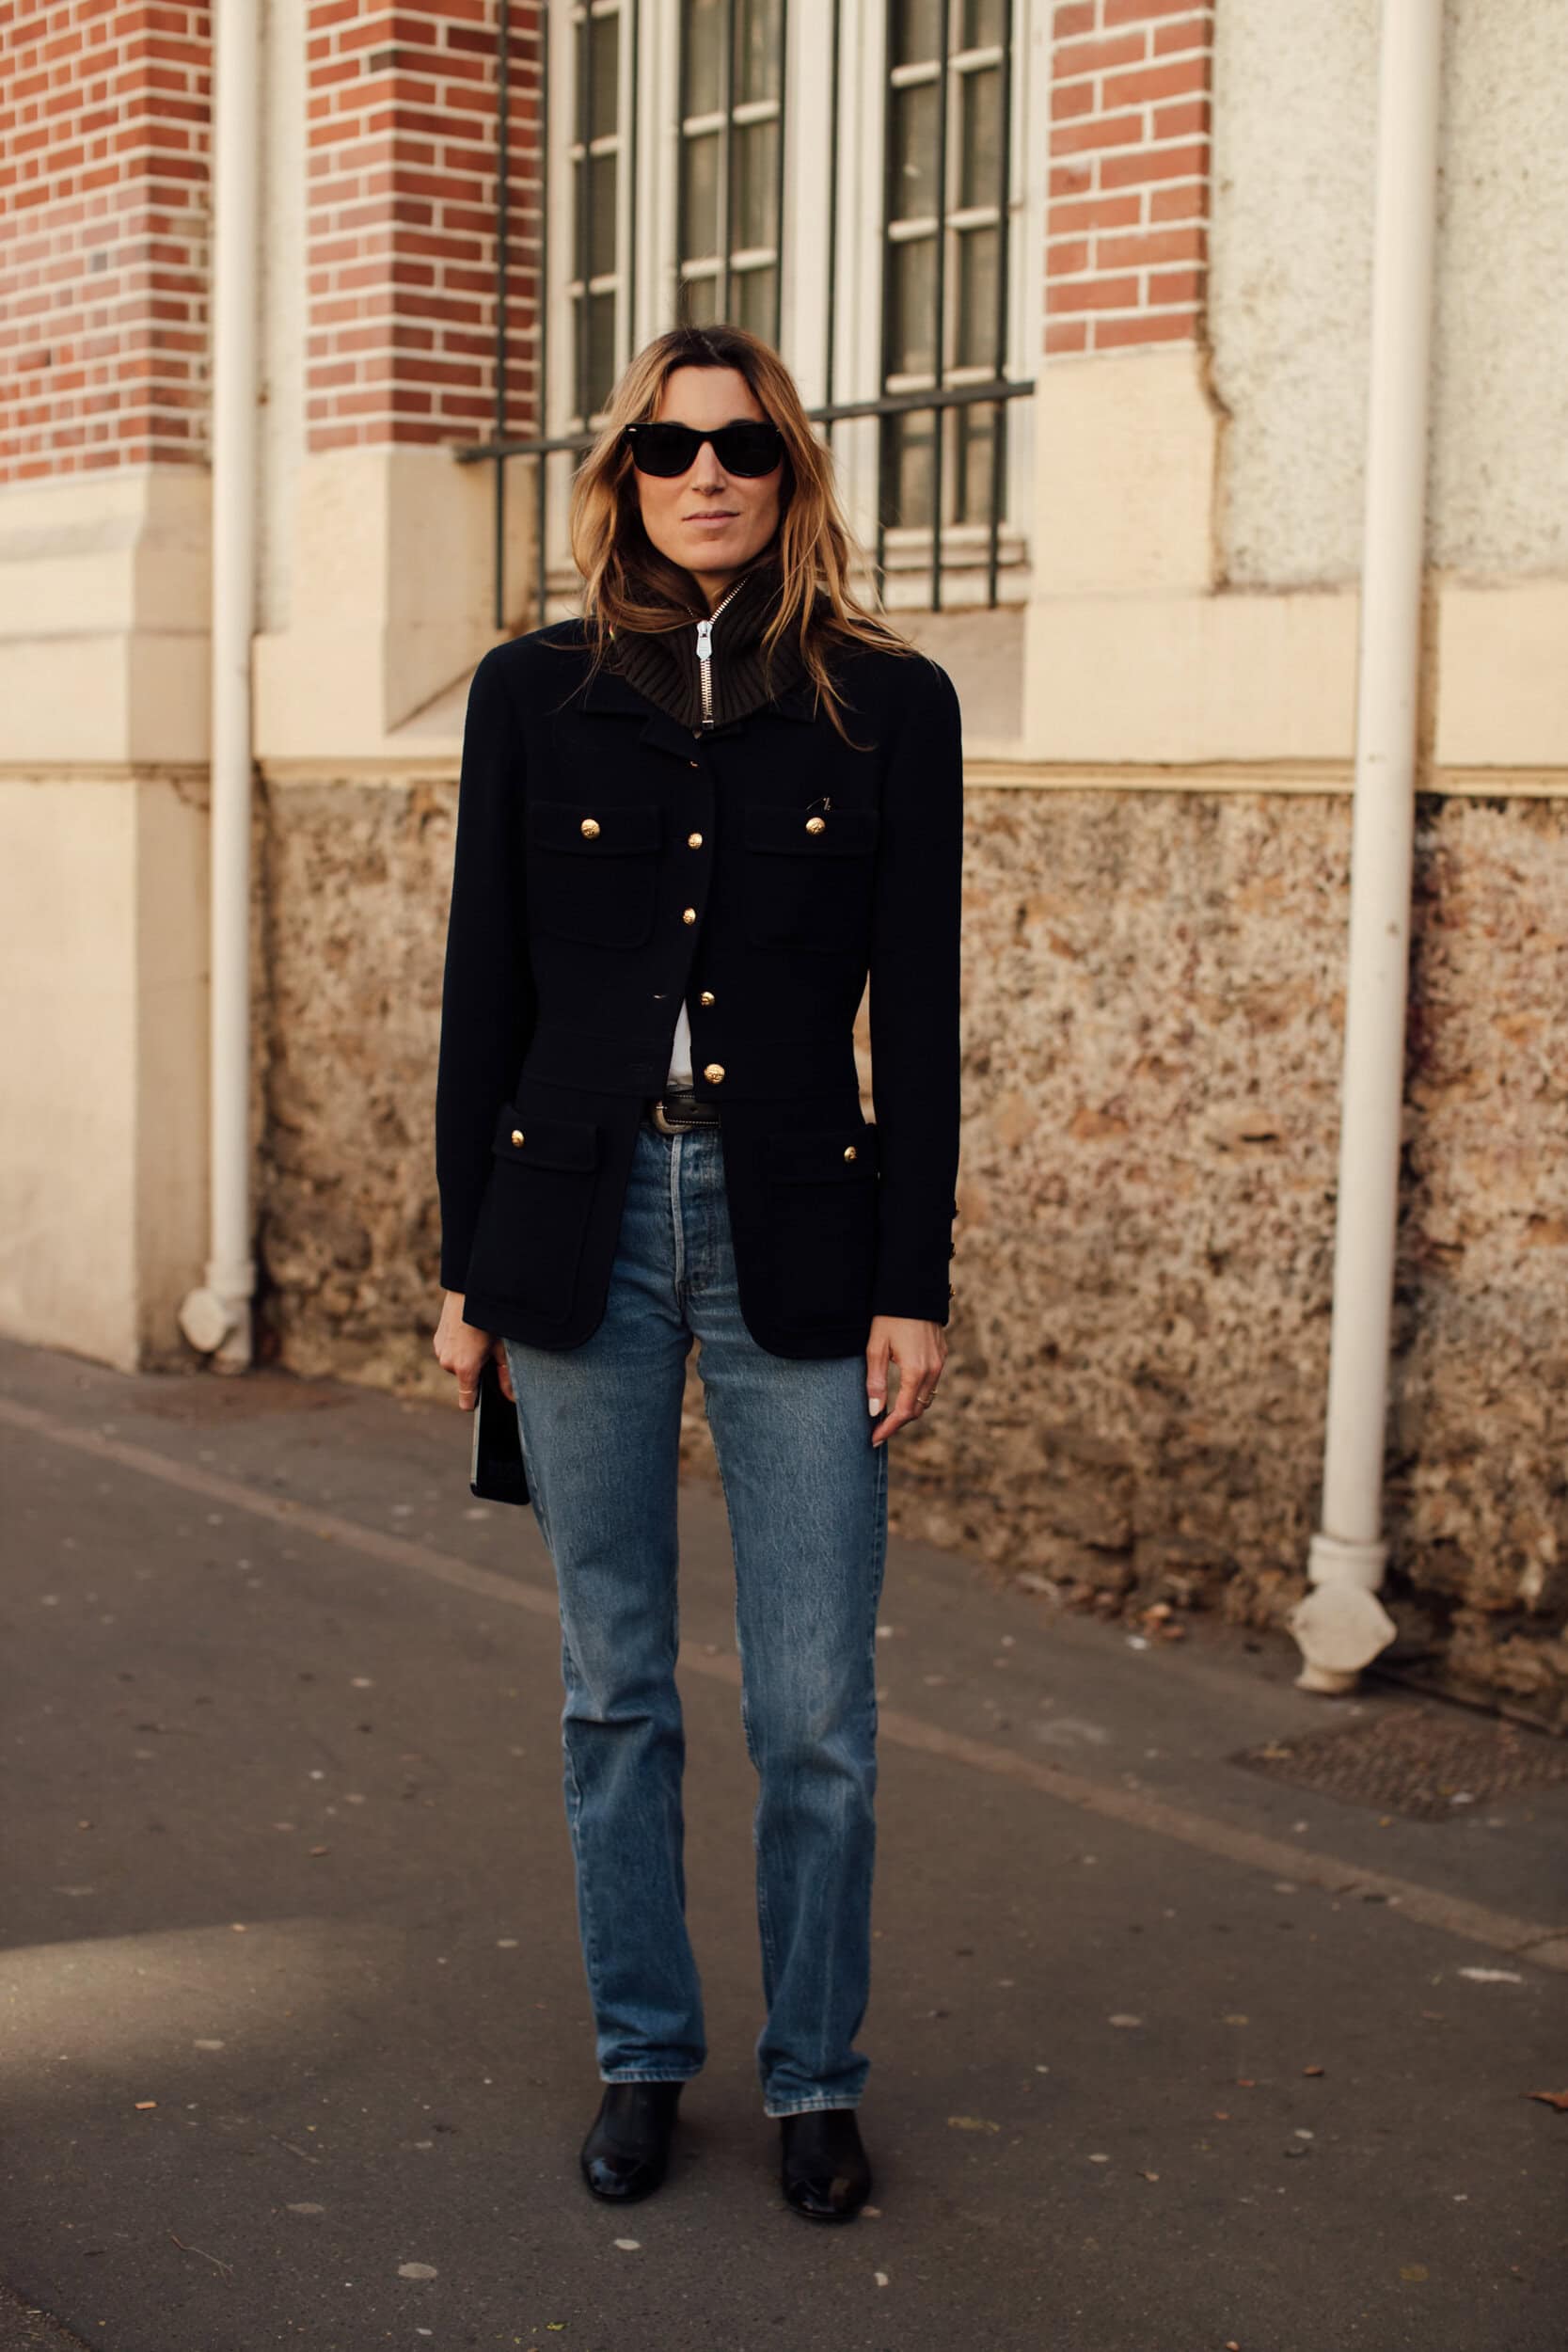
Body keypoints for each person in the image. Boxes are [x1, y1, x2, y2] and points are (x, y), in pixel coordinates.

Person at [432, 321, 962, 2223]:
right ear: (627, 474)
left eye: (742, 447)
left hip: (797, 1227)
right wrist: (468, 1269)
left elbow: (924, 1013)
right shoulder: (532, 693)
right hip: (577, 1227)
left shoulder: (889, 703)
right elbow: (483, 990)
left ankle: (816, 2078)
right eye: (669, 448)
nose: (707, 475)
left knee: (814, 1709)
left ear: (791, 471)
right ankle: (644, 2053)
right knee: (615, 1686)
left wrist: (917, 1280)